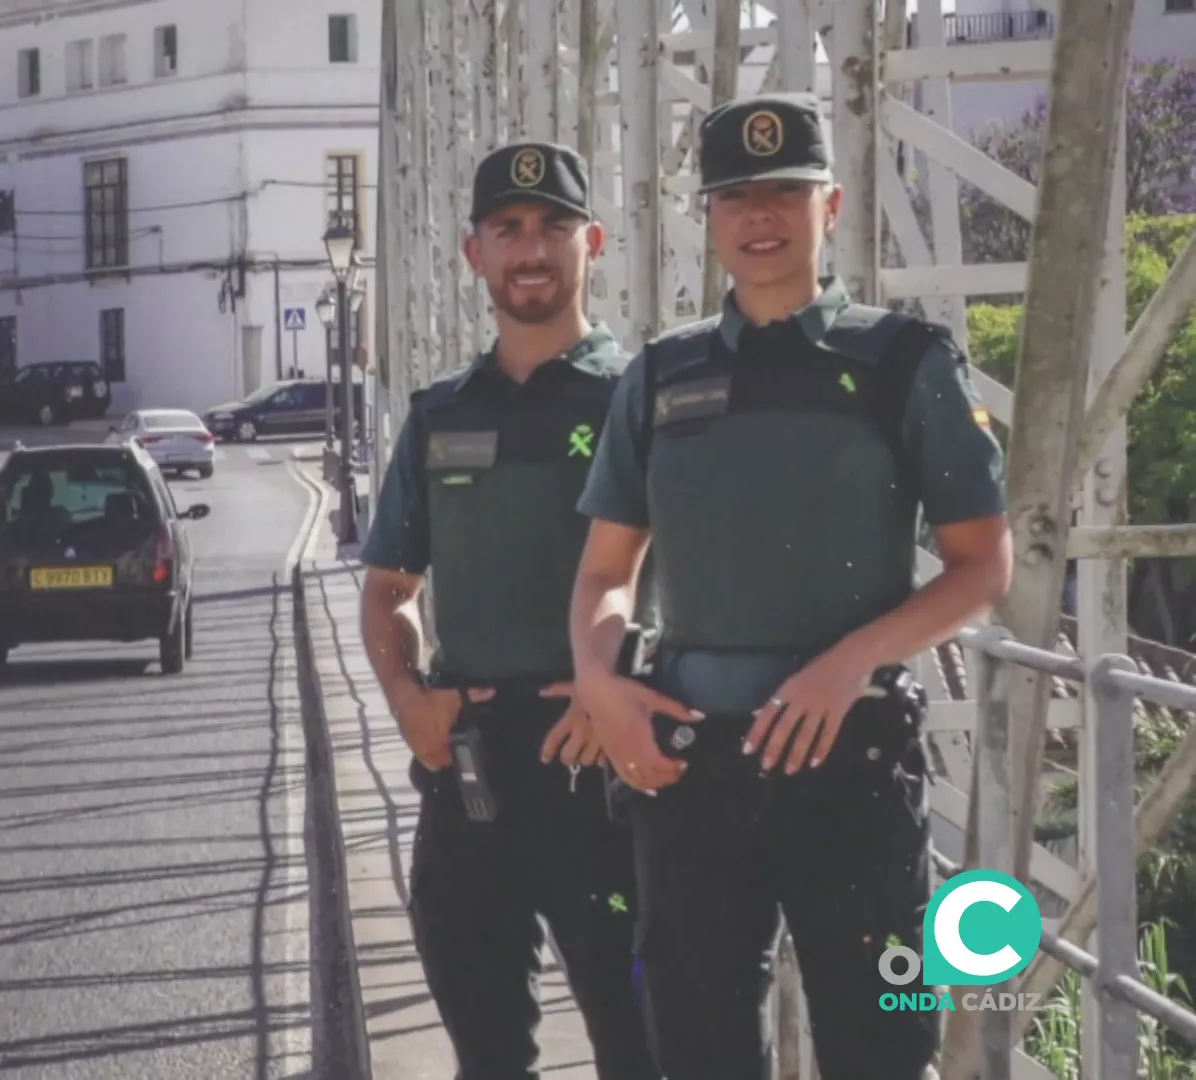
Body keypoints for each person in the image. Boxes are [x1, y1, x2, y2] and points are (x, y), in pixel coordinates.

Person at [566, 91, 1013, 1078]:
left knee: (884, 1049)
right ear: (711, 217)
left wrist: (852, 661)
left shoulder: (905, 362)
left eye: (785, 191)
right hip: (690, 770)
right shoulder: (659, 376)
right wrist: (599, 681)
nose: (759, 215)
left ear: (831, 206)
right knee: (698, 1054)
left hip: (853, 762)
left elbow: (985, 564)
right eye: (735, 196)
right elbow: (603, 575)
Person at [358, 139, 658, 1080]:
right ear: (473, 252)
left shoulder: (644, 400)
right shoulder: (439, 415)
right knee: (487, 1060)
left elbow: (700, 577)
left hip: (605, 777)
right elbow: (390, 588)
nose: (531, 250)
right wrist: (407, 699)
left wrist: (618, 686)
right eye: (508, 228)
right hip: (473, 774)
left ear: (593, 242)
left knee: (643, 1052)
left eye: (554, 227)